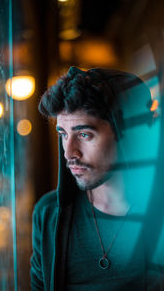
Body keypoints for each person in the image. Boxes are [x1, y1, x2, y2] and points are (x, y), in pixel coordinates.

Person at [30, 66, 164, 290]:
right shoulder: (48, 214)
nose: (69, 153)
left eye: (84, 134)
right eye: (63, 134)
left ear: (129, 132)